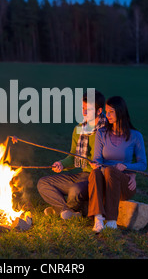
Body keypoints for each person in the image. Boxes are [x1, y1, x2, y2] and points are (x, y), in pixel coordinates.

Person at [37, 90, 106, 220]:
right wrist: (61, 164)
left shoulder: (108, 130)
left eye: (88, 109)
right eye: (83, 108)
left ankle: (62, 210)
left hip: (97, 177)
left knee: (75, 190)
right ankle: (67, 211)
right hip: (82, 176)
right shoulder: (79, 129)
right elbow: (73, 157)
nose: (84, 112)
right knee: (43, 183)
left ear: (99, 111)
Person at [88, 96, 147, 232]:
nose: (106, 115)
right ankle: (98, 219)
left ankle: (112, 220)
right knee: (95, 172)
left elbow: (142, 164)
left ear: (120, 112)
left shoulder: (136, 136)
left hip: (124, 184)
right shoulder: (101, 133)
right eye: (106, 112)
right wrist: (95, 164)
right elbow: (97, 158)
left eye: (111, 112)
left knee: (110, 171)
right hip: (104, 180)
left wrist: (127, 167)